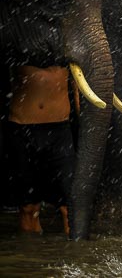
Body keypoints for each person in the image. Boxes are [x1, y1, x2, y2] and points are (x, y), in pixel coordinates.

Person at [3, 65, 74, 234]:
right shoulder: (18, 41)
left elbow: (77, 89)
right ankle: (31, 254)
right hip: (22, 130)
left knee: (71, 206)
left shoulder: (69, 44)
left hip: (60, 132)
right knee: (28, 208)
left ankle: (75, 257)